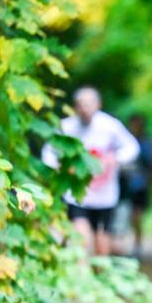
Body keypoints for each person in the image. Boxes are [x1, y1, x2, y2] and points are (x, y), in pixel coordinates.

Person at [42, 87, 140, 256]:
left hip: (105, 194)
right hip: (77, 193)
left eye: (89, 104)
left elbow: (132, 147)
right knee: (82, 235)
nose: (85, 109)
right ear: (75, 106)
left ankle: (100, 272)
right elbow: (48, 152)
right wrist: (57, 166)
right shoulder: (66, 127)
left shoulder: (110, 126)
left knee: (102, 238)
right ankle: (83, 272)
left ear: (98, 104)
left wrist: (115, 159)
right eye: (81, 104)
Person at [118, 113, 152, 258]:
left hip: (140, 185)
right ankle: (120, 246)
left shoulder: (147, 143)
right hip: (123, 185)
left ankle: (136, 245)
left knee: (137, 216)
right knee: (122, 215)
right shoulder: (122, 141)